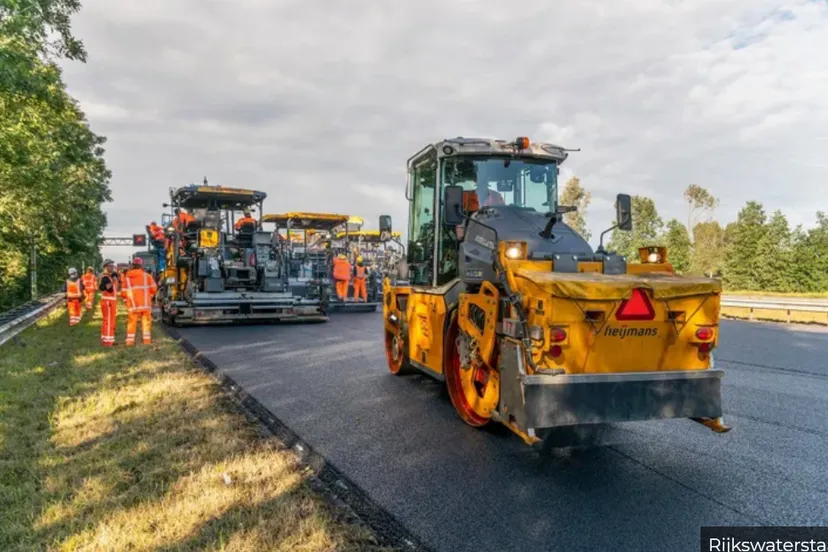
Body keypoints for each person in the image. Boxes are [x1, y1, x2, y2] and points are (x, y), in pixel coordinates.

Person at [120, 257, 157, 346]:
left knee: (132, 322)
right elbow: (154, 289)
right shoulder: (147, 276)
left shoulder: (127, 278)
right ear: (141, 265)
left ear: (132, 265)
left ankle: (129, 342)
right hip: (145, 304)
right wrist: (150, 297)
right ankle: (146, 341)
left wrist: (126, 301)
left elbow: (123, 292)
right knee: (146, 322)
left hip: (132, 305)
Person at [98, 259, 118, 347]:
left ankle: (105, 338)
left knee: (107, 320)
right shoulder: (105, 277)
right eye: (110, 266)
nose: (112, 268)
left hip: (109, 302)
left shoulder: (108, 276)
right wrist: (113, 281)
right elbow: (105, 288)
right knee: (109, 321)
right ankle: (108, 341)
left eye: (113, 266)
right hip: (108, 302)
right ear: (106, 267)